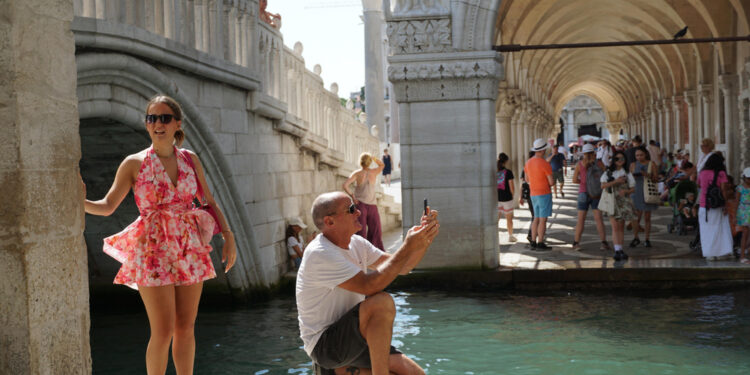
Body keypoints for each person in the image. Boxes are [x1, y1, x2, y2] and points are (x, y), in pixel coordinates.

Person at [82, 95, 237, 375]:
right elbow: (107, 207)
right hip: (152, 249)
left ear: (177, 123)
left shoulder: (190, 159)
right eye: (151, 118)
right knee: (163, 331)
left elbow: (209, 201)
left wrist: (229, 235)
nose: (157, 123)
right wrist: (78, 201)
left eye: (164, 117)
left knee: (186, 328)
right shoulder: (134, 163)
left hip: (189, 246)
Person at [296, 192, 439, 374]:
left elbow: (402, 267)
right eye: (351, 209)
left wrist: (423, 239)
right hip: (326, 346)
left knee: (414, 373)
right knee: (380, 303)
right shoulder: (320, 253)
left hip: (356, 336)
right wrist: (408, 245)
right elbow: (369, 286)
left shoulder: (357, 243)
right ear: (330, 222)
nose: (359, 213)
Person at [343, 152, 386, 250]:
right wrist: (374, 158)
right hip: (372, 205)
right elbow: (382, 165)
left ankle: (360, 253)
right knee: (376, 231)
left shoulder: (357, 173)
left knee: (360, 231)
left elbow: (345, 185)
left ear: (360, 161)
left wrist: (353, 197)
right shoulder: (374, 172)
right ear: (369, 162)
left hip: (360, 205)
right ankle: (375, 253)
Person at [571, 143, 609, 251]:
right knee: (599, 219)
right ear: (594, 152)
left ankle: (576, 243)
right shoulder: (599, 163)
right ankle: (603, 243)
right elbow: (606, 176)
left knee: (581, 220)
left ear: (583, 153)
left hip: (583, 193)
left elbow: (574, 180)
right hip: (596, 193)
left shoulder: (580, 164)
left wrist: (583, 182)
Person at [600, 150, 636, 261]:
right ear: (613, 160)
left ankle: (620, 249)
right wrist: (616, 181)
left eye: (622, 159)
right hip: (612, 200)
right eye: (617, 159)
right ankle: (617, 250)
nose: (619, 161)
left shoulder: (627, 173)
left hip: (623, 201)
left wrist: (626, 192)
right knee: (615, 226)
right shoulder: (608, 173)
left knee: (621, 227)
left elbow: (633, 188)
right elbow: (603, 185)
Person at [697, 153, 733, 260]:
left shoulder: (702, 173)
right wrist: (726, 204)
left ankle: (709, 253)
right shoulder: (721, 174)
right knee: (719, 228)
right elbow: (723, 190)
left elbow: (698, 185)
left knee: (705, 229)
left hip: (704, 205)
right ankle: (721, 252)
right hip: (717, 206)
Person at [524, 138, 554, 250]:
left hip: (533, 193)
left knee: (535, 218)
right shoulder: (545, 164)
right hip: (544, 193)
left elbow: (527, 179)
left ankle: (533, 241)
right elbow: (551, 182)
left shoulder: (528, 162)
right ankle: (540, 243)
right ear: (543, 150)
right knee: (542, 219)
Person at [629, 146, 658, 248]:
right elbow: (630, 179)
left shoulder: (652, 164)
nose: (639, 157)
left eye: (641, 155)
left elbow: (656, 179)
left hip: (647, 191)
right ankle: (636, 237)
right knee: (636, 217)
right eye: (637, 155)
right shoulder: (633, 165)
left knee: (647, 217)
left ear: (645, 154)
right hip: (636, 191)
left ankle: (647, 238)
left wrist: (646, 175)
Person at [497, 153, 516, 242]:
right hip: (507, 198)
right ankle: (510, 236)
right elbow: (511, 186)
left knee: (496, 218)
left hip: (496, 198)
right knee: (509, 219)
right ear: (506, 161)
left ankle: (493, 235)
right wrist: (512, 194)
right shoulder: (508, 172)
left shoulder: (494, 171)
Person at [519, 151, 535, 243]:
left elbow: (522, 183)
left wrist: (520, 197)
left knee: (534, 215)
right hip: (534, 193)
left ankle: (533, 234)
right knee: (535, 215)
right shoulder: (531, 166)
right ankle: (531, 234)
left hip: (529, 194)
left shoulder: (525, 167)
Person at [736, 168, 750, 264]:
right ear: (744, 177)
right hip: (743, 212)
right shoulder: (740, 188)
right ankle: (742, 256)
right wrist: (735, 215)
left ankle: (744, 249)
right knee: (745, 234)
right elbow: (737, 201)